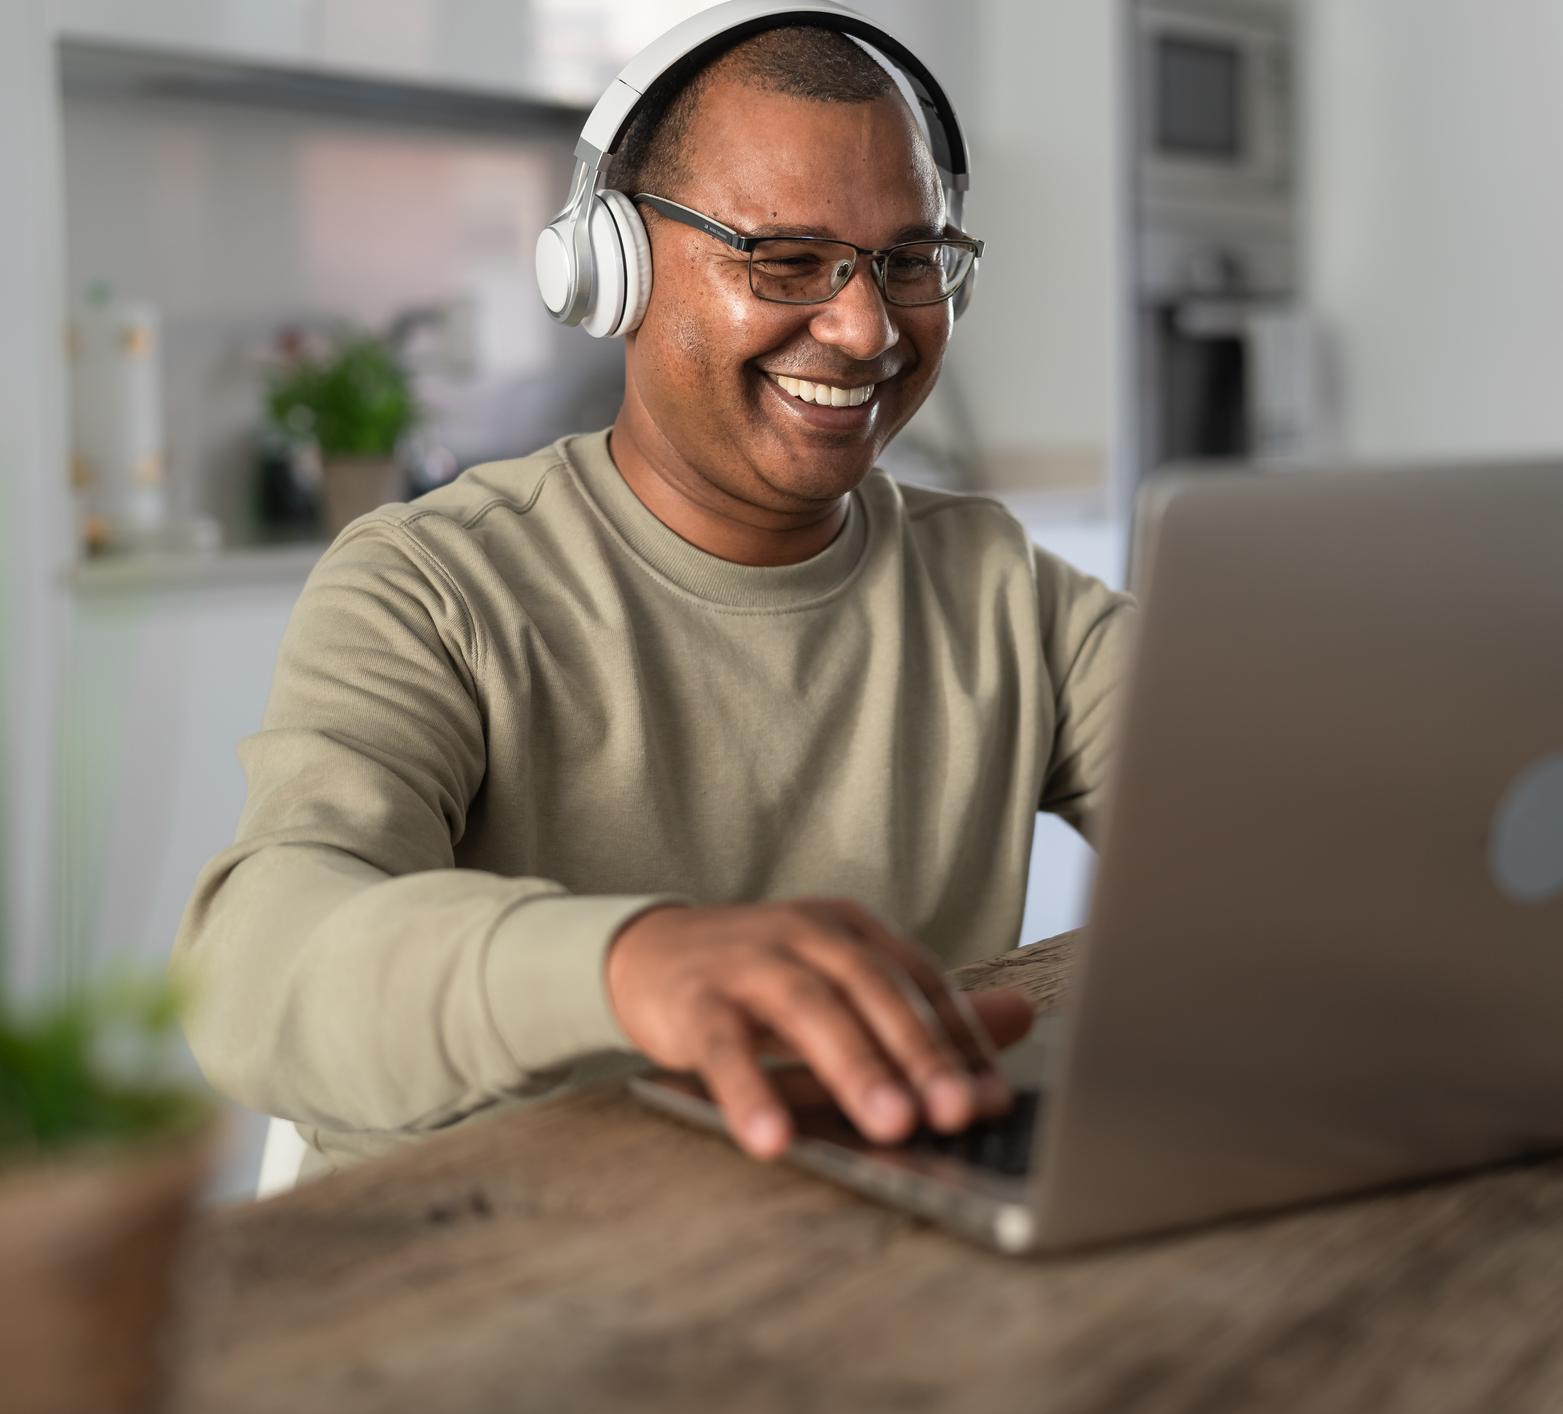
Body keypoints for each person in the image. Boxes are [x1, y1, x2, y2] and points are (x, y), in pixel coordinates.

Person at [173, 24, 1134, 1181]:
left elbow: (1290, 805)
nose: (867, 328)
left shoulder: (1000, 589)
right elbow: (256, 960)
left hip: (857, 1238)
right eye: (785, 260)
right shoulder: (430, 584)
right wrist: (633, 962)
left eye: (911, 260)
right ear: (609, 270)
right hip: (491, 1265)